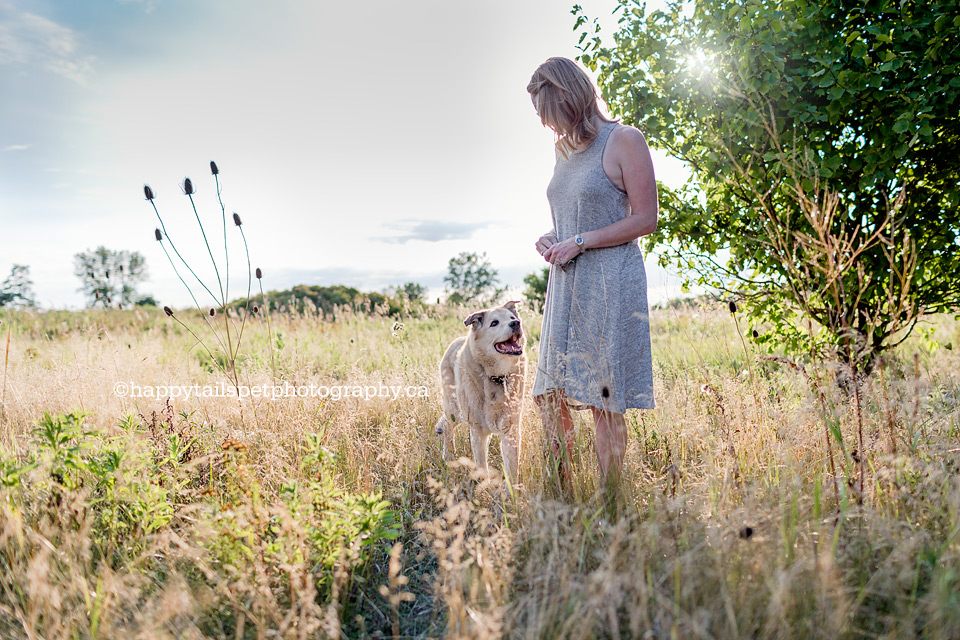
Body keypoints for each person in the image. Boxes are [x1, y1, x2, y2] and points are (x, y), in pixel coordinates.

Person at [527, 56, 658, 495]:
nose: (549, 127)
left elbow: (645, 218)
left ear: (571, 97)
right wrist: (552, 237)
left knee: (604, 398)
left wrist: (580, 241)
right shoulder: (563, 150)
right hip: (565, 285)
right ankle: (560, 496)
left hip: (609, 282)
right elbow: (572, 217)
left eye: (551, 114)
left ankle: (610, 501)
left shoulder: (623, 139)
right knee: (551, 395)